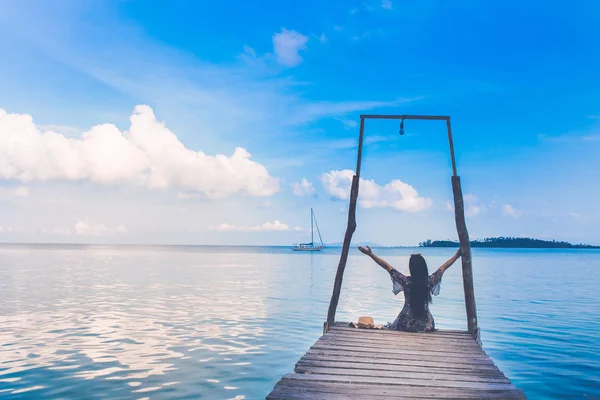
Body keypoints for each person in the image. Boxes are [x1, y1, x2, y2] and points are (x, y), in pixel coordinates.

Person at [357, 246, 462, 332]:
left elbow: (386, 266)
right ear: (424, 267)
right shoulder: (429, 282)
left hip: (406, 324)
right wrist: (457, 255)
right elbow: (444, 267)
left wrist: (370, 254)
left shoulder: (406, 282)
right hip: (426, 325)